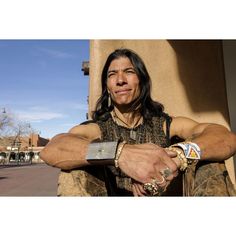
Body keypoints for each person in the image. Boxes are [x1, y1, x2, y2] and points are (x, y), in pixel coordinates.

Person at [40, 48, 236, 196]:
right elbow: (53, 149)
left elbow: (224, 138)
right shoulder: (97, 129)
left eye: (129, 72)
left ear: (142, 81)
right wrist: (120, 153)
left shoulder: (167, 125)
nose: (120, 80)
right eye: (112, 74)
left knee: (209, 161)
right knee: (73, 172)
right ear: (107, 87)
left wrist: (176, 157)